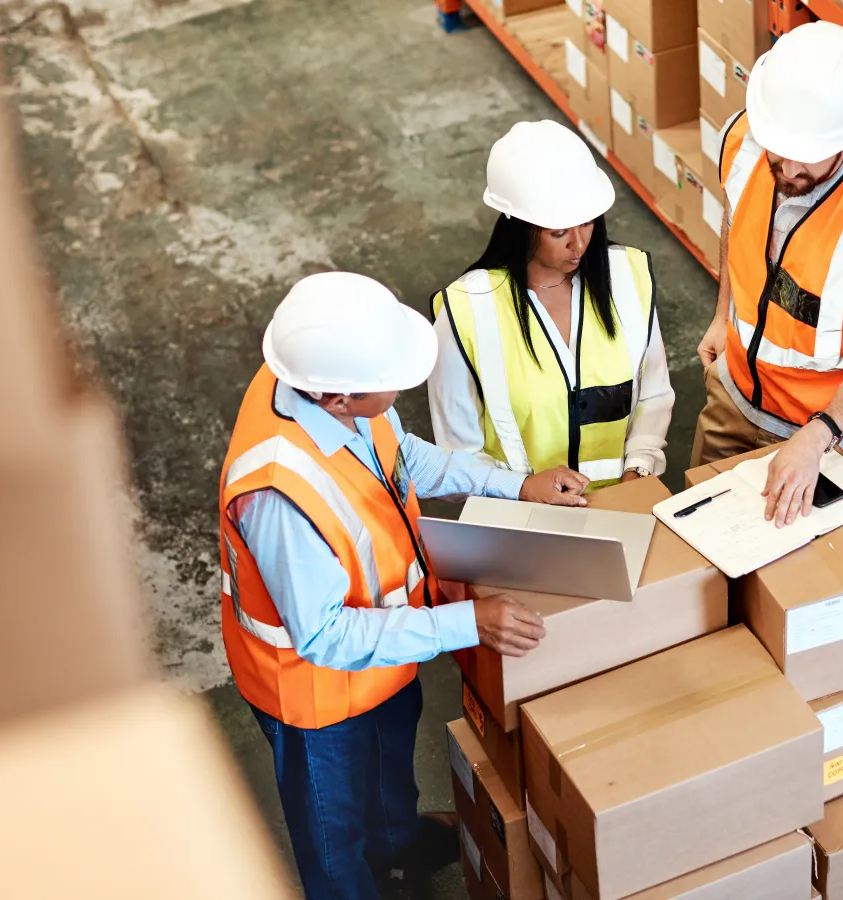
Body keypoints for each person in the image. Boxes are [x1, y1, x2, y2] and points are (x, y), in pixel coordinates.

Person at [218, 272, 590, 900]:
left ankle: (399, 846)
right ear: (337, 399)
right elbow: (326, 636)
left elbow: (400, 456)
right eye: (388, 381)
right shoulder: (279, 495)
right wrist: (469, 623)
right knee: (334, 840)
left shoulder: (314, 377)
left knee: (391, 774)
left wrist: (514, 482)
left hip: (388, 652)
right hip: (314, 696)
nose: (399, 389)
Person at [692, 21, 843, 527]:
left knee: (796, 586)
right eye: (779, 147)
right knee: (702, 549)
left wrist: (817, 435)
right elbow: (736, 220)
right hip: (736, 394)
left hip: (832, 438)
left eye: (807, 152)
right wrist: (723, 315)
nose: (787, 165)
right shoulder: (745, 140)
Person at [430, 120, 673, 488]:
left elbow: (653, 394)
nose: (578, 243)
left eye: (588, 223)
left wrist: (638, 469)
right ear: (520, 226)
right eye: (558, 232)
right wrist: (523, 490)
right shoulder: (466, 311)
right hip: (522, 524)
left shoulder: (627, 277)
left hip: (622, 507)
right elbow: (455, 457)